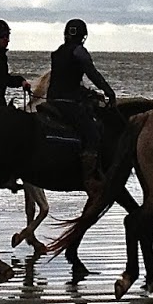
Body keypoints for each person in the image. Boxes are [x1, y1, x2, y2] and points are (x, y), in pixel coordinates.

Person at [46, 18, 117, 185]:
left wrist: (87, 93)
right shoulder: (79, 52)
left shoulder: (57, 52)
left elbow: (66, 79)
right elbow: (93, 74)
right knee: (93, 134)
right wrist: (109, 92)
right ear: (82, 36)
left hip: (52, 100)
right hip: (68, 103)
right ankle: (89, 176)